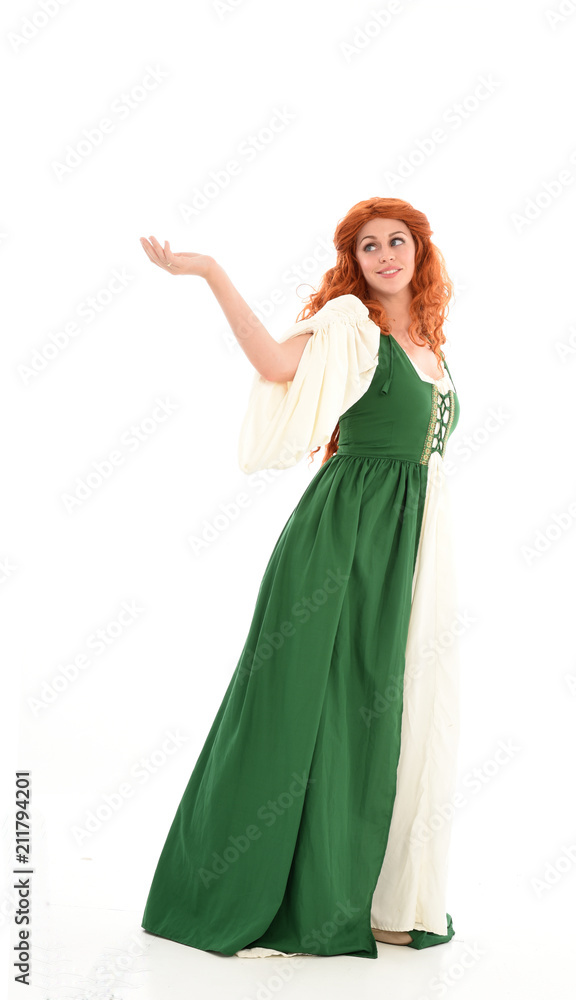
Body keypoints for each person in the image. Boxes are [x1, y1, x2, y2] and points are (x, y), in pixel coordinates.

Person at [138, 196, 462, 960]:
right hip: (339, 542)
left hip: (405, 551)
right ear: (354, 260)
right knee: (292, 707)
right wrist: (211, 271)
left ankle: (363, 895)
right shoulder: (352, 326)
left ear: (420, 253)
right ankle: (247, 891)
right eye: (370, 245)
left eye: (399, 242)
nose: (386, 255)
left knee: (380, 711)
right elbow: (275, 364)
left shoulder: (433, 348)